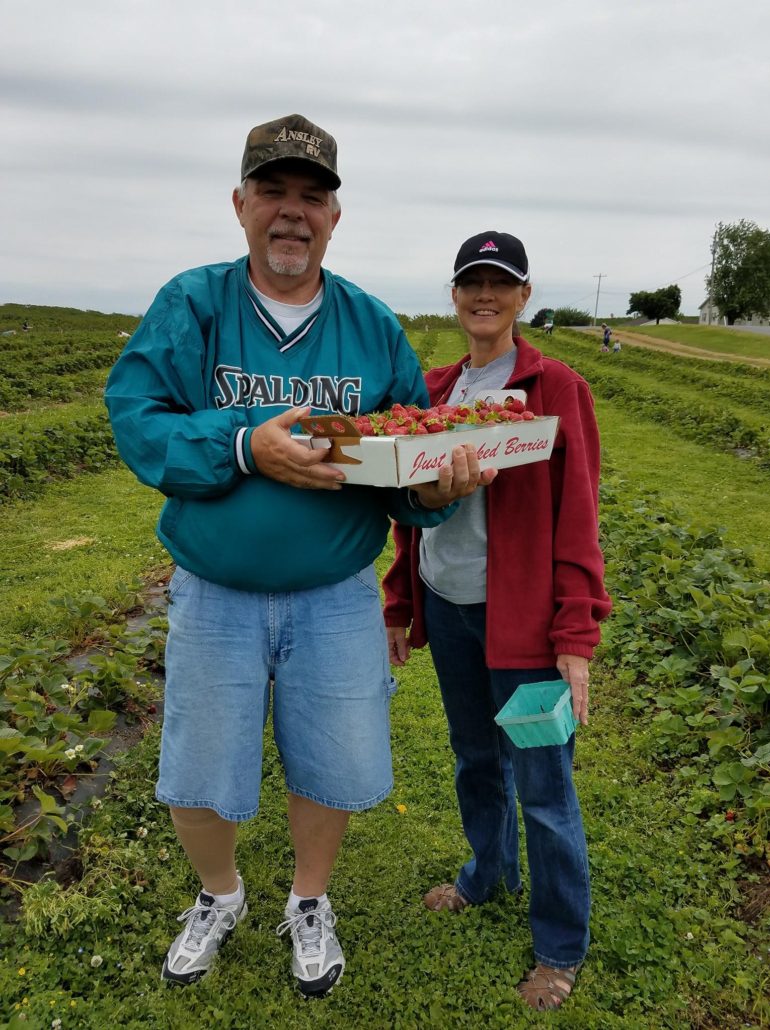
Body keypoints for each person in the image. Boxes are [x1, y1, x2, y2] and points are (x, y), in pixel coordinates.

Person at [105, 113, 490, 997]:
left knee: (331, 757)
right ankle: (219, 894)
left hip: (333, 591)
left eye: (310, 198)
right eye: (272, 193)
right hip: (217, 589)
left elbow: (400, 450)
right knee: (198, 767)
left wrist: (434, 490)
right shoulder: (192, 305)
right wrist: (247, 445)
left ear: (333, 218)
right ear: (239, 204)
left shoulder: (368, 324)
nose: (291, 213)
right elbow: (137, 419)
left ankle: (308, 901)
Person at [383, 230, 611, 1011]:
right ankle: (487, 874)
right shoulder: (436, 390)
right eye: (470, 283)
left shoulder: (554, 389)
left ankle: (558, 946)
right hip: (449, 612)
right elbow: (408, 510)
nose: (484, 296)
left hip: (523, 626)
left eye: (500, 284)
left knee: (542, 786)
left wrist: (574, 637)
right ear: (454, 295)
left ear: (522, 296)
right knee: (473, 759)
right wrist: (400, 601)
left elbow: (578, 518)